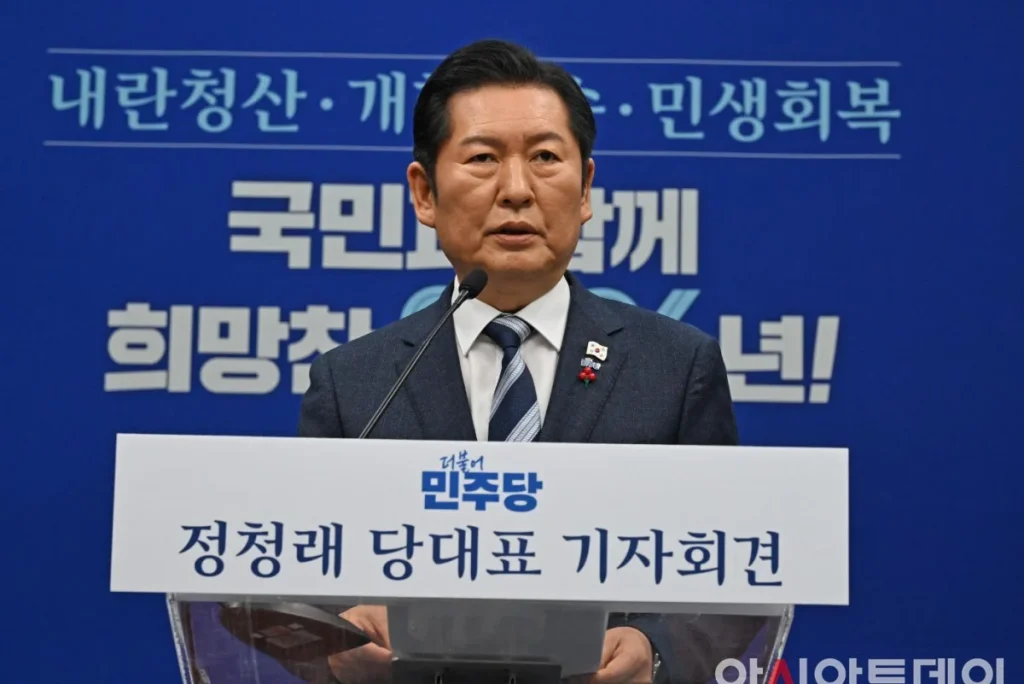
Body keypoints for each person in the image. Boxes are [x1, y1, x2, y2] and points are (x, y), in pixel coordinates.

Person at [299, 38, 766, 684]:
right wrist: (340, 639)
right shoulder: (355, 383)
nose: (516, 190)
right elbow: (306, 586)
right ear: (424, 193)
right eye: (483, 159)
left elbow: (731, 569)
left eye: (545, 157)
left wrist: (653, 650)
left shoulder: (676, 367)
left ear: (586, 188)